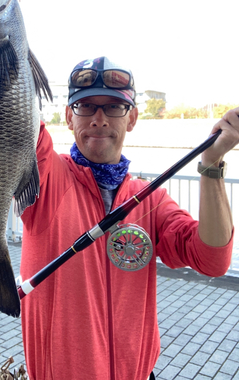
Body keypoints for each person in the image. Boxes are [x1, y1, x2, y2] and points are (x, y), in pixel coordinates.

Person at [19, 56, 238, 380]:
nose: (99, 119)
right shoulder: (47, 174)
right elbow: (15, 115)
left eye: (113, 107)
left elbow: (211, 259)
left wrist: (212, 162)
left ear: (132, 118)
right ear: (68, 116)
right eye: (86, 106)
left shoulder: (152, 198)